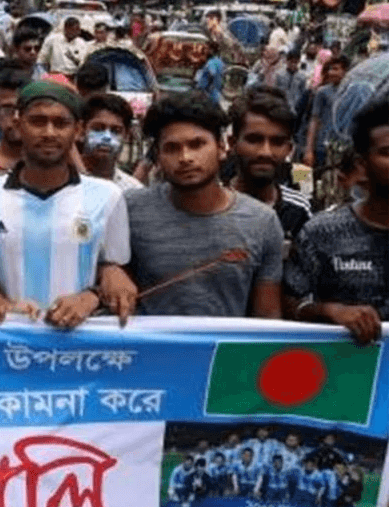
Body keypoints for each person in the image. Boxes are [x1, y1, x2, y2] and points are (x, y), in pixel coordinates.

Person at [0, 81, 134, 328]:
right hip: (5, 343)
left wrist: (91, 297)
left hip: (78, 350)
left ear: (78, 130)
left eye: (61, 123)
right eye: (37, 121)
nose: (49, 133)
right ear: (18, 125)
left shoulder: (108, 196)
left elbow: (113, 274)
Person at [127, 92, 283, 318]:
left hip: (227, 352)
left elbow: (267, 319)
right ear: (158, 158)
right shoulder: (131, 210)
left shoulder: (262, 222)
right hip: (151, 351)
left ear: (221, 148)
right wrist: (110, 270)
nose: (185, 157)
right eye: (172, 148)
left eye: (197, 144)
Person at [284, 98, 389, 345]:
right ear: (363, 165)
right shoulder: (322, 232)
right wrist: (330, 311)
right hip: (346, 376)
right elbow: (288, 305)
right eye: (387, 153)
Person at [227, 89, 311, 244]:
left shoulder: (298, 210)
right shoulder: (207, 205)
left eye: (277, 142)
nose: (265, 152)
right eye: (254, 140)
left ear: (289, 149)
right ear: (232, 143)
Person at [305, 54, 350, 207]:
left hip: (336, 148)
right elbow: (314, 120)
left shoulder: (350, 94)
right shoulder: (321, 92)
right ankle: (305, 205)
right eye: (330, 69)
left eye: (336, 69)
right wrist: (308, 149)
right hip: (315, 144)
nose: (331, 72)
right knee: (305, 181)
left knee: (331, 185)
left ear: (346, 72)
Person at [81, 93, 143, 191]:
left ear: (126, 135)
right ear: (81, 130)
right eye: (98, 129)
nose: (107, 137)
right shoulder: (62, 181)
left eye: (116, 131)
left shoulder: (133, 190)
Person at [195, 40, 226, 106]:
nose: (205, 51)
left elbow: (212, 74)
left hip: (208, 95)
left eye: (207, 49)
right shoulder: (219, 61)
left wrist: (206, 90)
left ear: (211, 50)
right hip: (216, 94)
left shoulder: (211, 62)